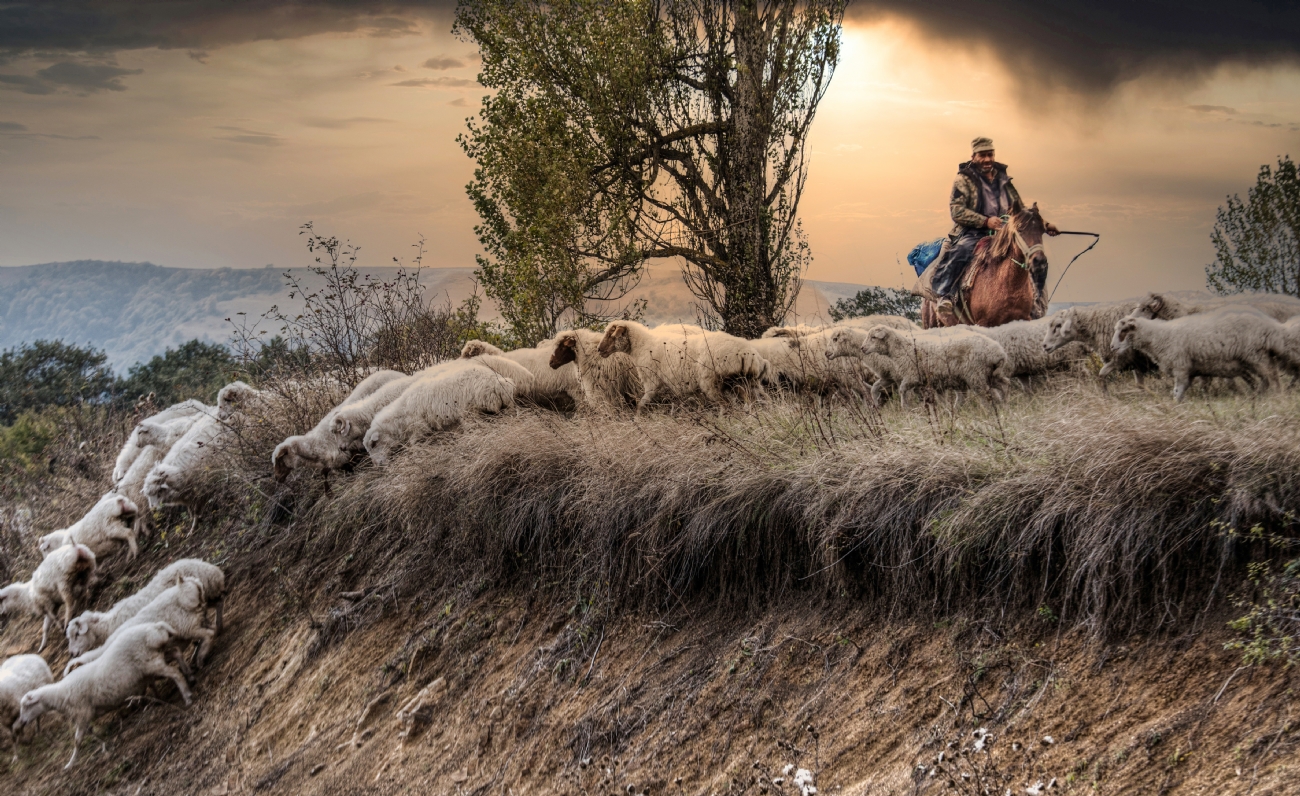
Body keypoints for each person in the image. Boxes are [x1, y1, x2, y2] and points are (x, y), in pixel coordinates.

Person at [932, 137, 1058, 313]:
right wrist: (985, 221)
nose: (987, 159)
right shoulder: (963, 179)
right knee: (960, 251)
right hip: (972, 232)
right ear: (973, 156)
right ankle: (946, 295)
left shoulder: (1003, 179)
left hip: (1004, 232)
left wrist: (1045, 225)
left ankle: (1037, 301)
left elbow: (1019, 210)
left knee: (1034, 256)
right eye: (982, 155)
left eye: (990, 154)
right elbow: (957, 210)